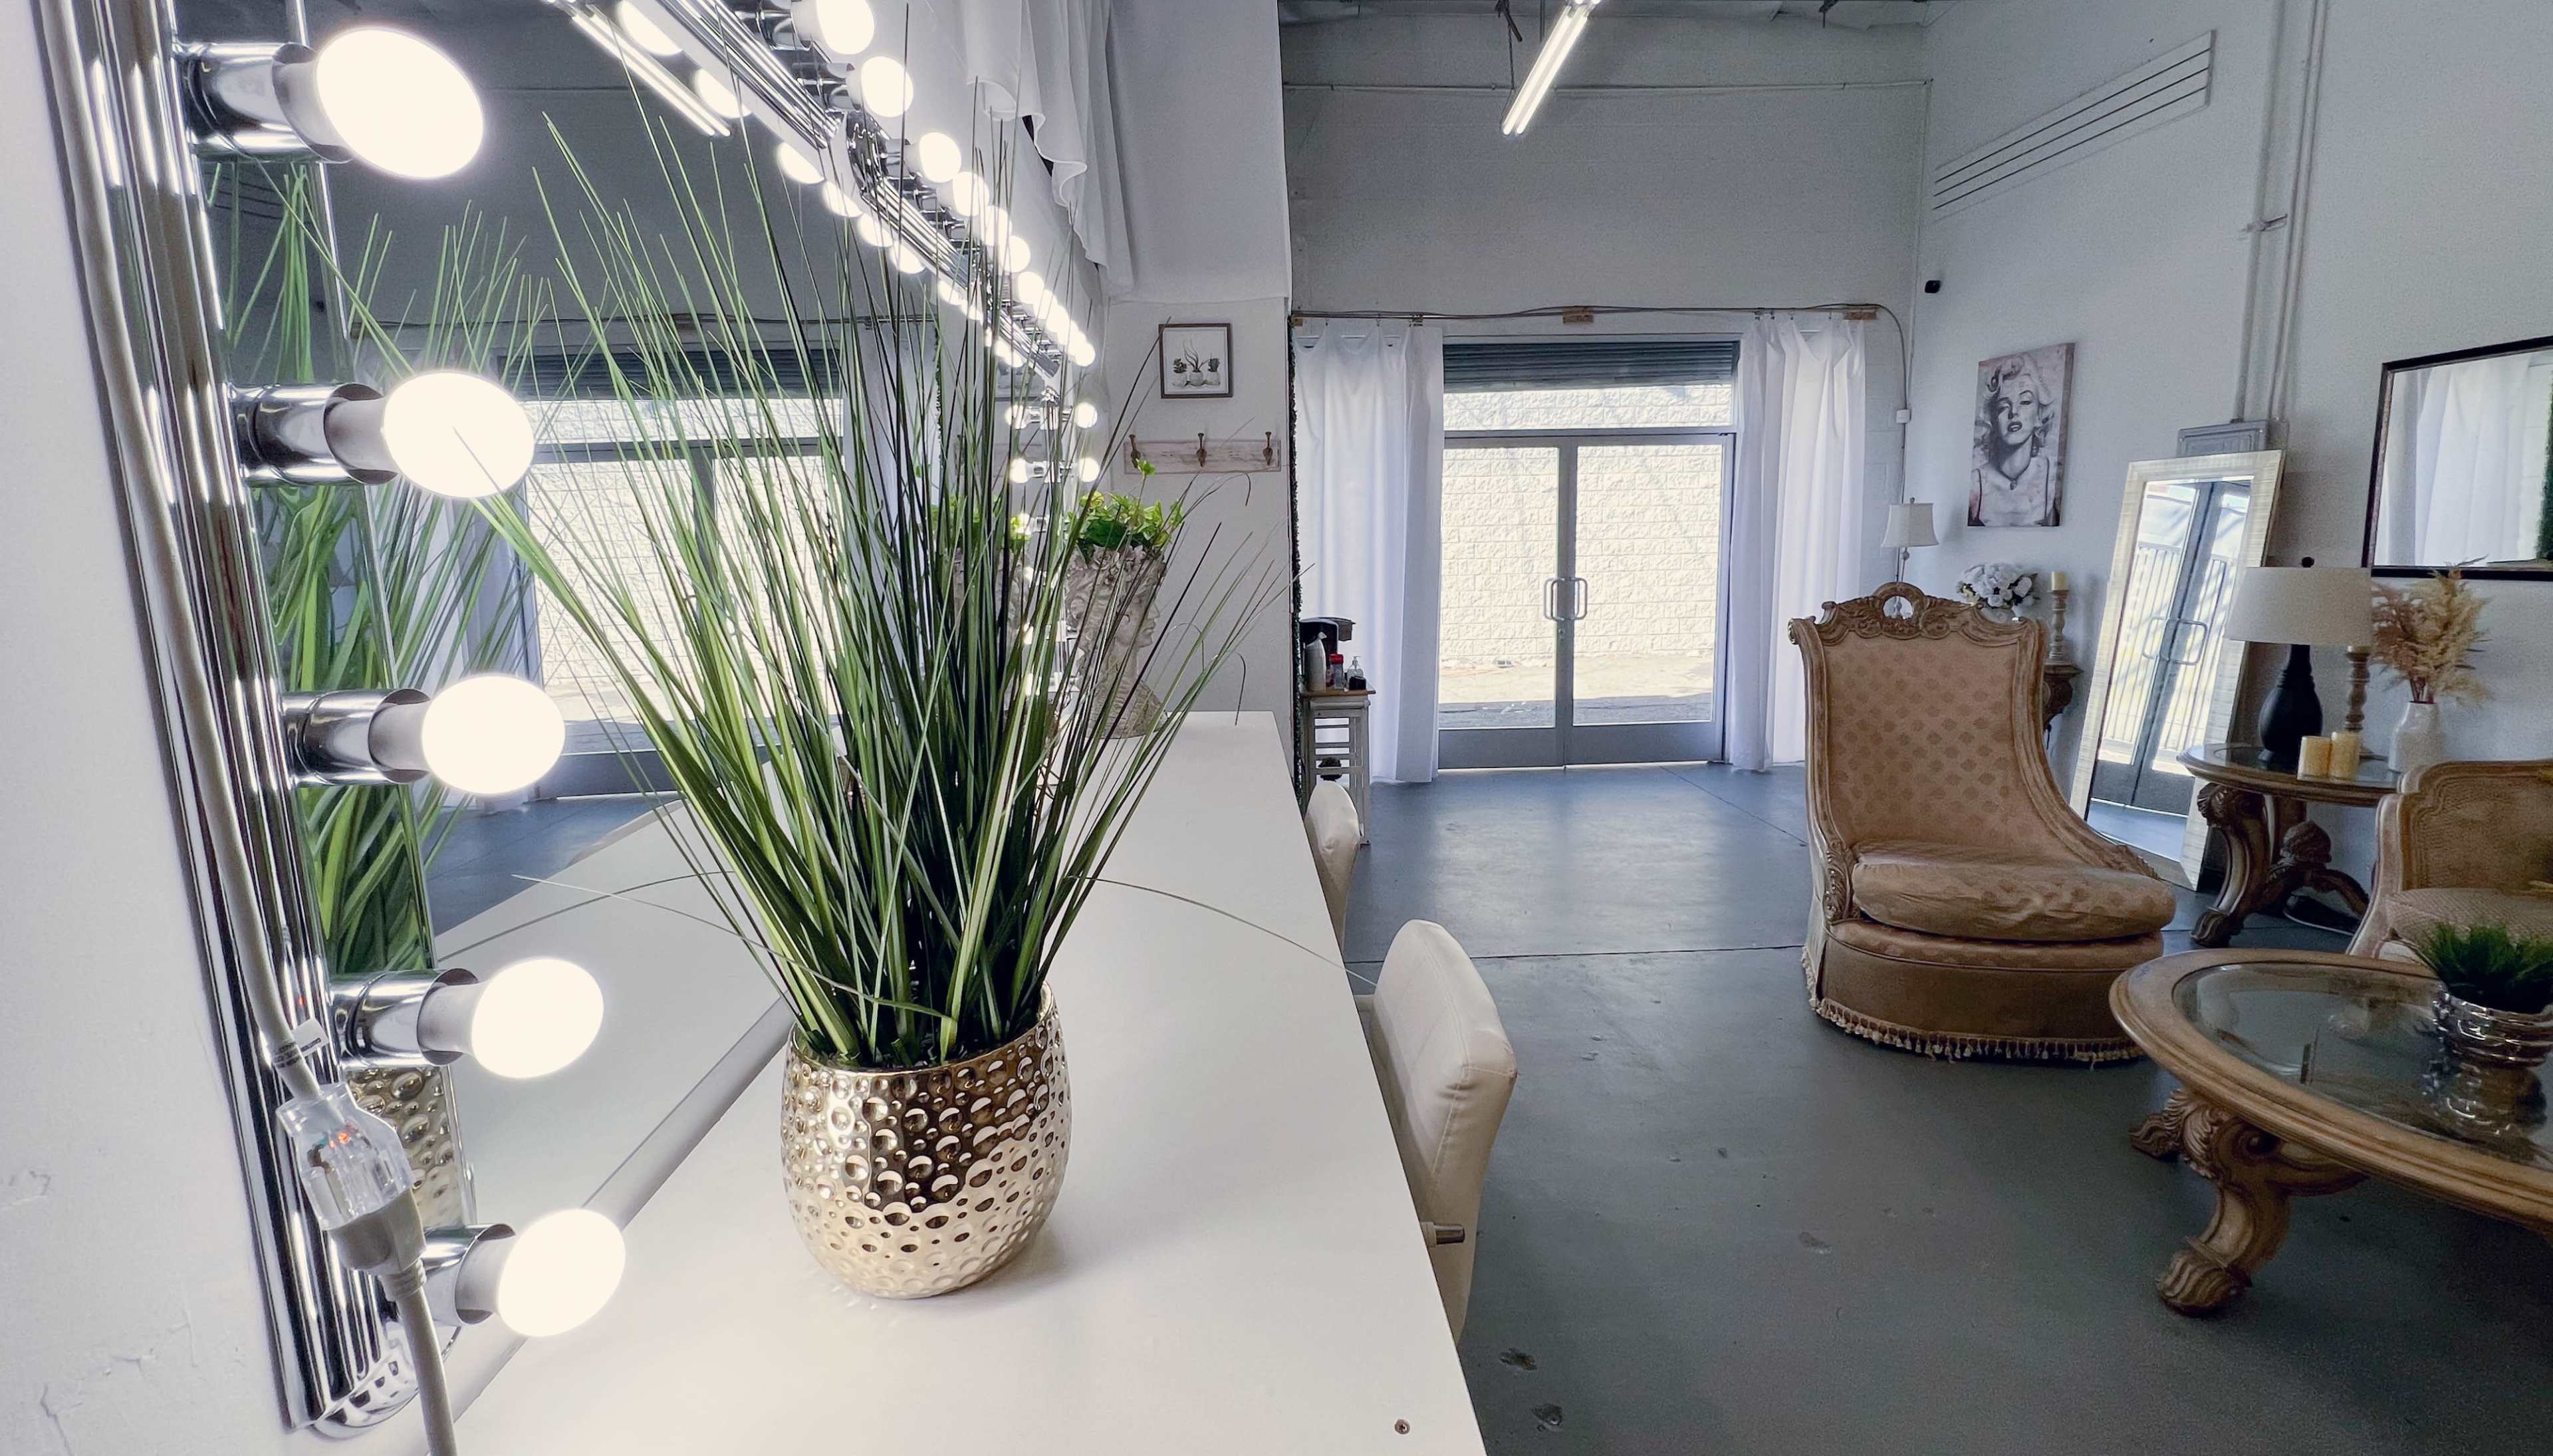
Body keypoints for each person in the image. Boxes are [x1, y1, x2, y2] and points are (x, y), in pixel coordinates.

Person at [1970, 353, 2060, 527]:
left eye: (2025, 402)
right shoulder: (1976, 483)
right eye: (2004, 406)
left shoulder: (2053, 476)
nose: (2014, 412)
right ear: (1993, 420)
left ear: (2040, 416)